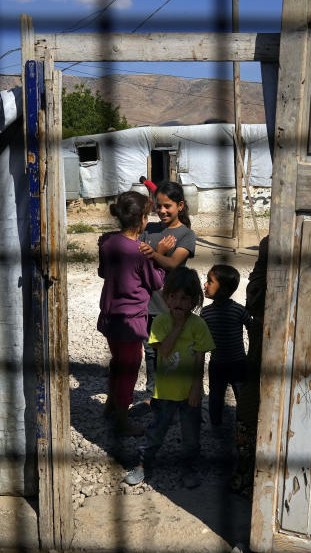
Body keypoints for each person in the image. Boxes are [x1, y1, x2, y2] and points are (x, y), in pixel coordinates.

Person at [124, 267, 214, 489]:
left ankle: (189, 468)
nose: (178, 303)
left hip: (189, 393)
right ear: (166, 297)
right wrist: (178, 326)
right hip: (164, 393)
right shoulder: (161, 322)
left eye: (184, 298)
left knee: (191, 437)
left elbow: (200, 359)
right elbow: (163, 352)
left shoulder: (199, 325)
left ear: (194, 300)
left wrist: (196, 388)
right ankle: (143, 465)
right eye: (173, 297)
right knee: (156, 432)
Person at [96, 191, 166, 436]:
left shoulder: (108, 243)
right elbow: (155, 282)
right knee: (129, 368)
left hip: (109, 315)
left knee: (117, 362)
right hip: (130, 321)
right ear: (143, 218)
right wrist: (161, 257)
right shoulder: (140, 251)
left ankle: (109, 406)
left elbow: (103, 273)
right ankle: (122, 421)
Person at [138, 181, 196, 398]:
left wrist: (153, 253)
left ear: (180, 205)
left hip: (170, 307)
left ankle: (173, 395)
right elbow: (136, 260)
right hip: (146, 304)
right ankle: (152, 395)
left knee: (172, 351)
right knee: (151, 353)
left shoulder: (186, 235)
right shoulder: (149, 229)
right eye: (158, 206)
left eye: (167, 206)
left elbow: (173, 264)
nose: (161, 211)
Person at [233, 235, 269, 495]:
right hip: (260, 351)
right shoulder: (271, 245)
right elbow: (254, 300)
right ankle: (247, 471)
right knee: (249, 410)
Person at [200, 264, 250, 427]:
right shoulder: (205, 312)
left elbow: (252, 328)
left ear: (223, 288)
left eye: (210, 281)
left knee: (241, 396)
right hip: (217, 364)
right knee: (215, 396)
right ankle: (216, 426)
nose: (205, 284)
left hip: (238, 364)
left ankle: (242, 425)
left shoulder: (238, 310)